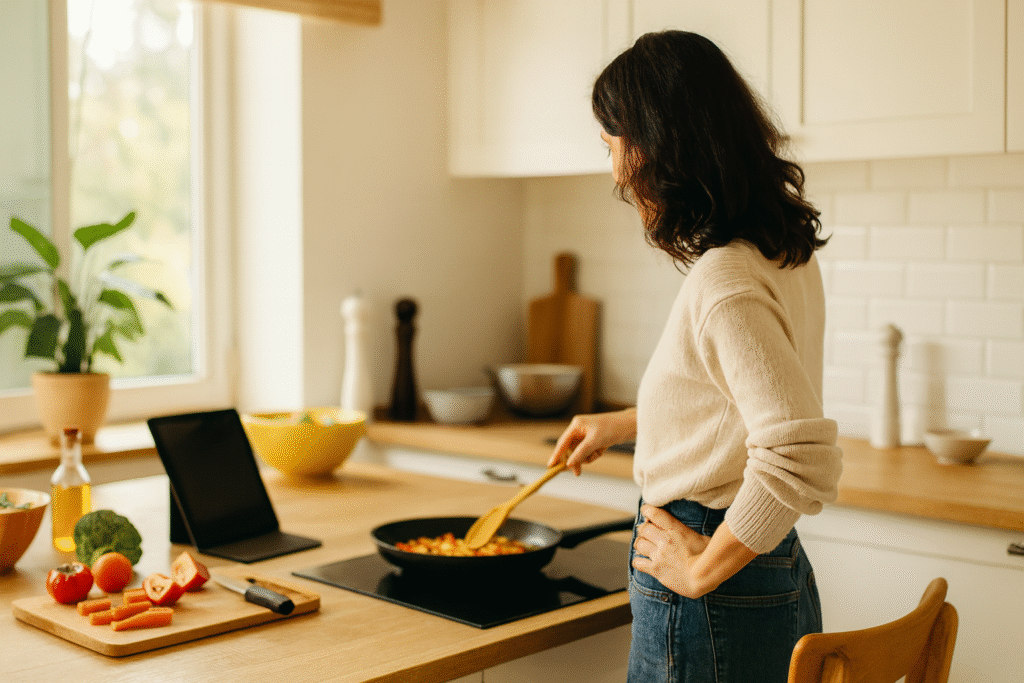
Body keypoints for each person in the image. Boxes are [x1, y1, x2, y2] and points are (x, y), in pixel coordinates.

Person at [547, 30, 844, 683]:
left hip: (711, 565)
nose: (616, 171)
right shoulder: (781, 252)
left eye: (613, 145)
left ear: (653, 148)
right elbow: (735, 405)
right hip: (765, 558)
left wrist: (701, 567)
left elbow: (799, 453)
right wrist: (626, 423)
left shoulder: (725, 278)